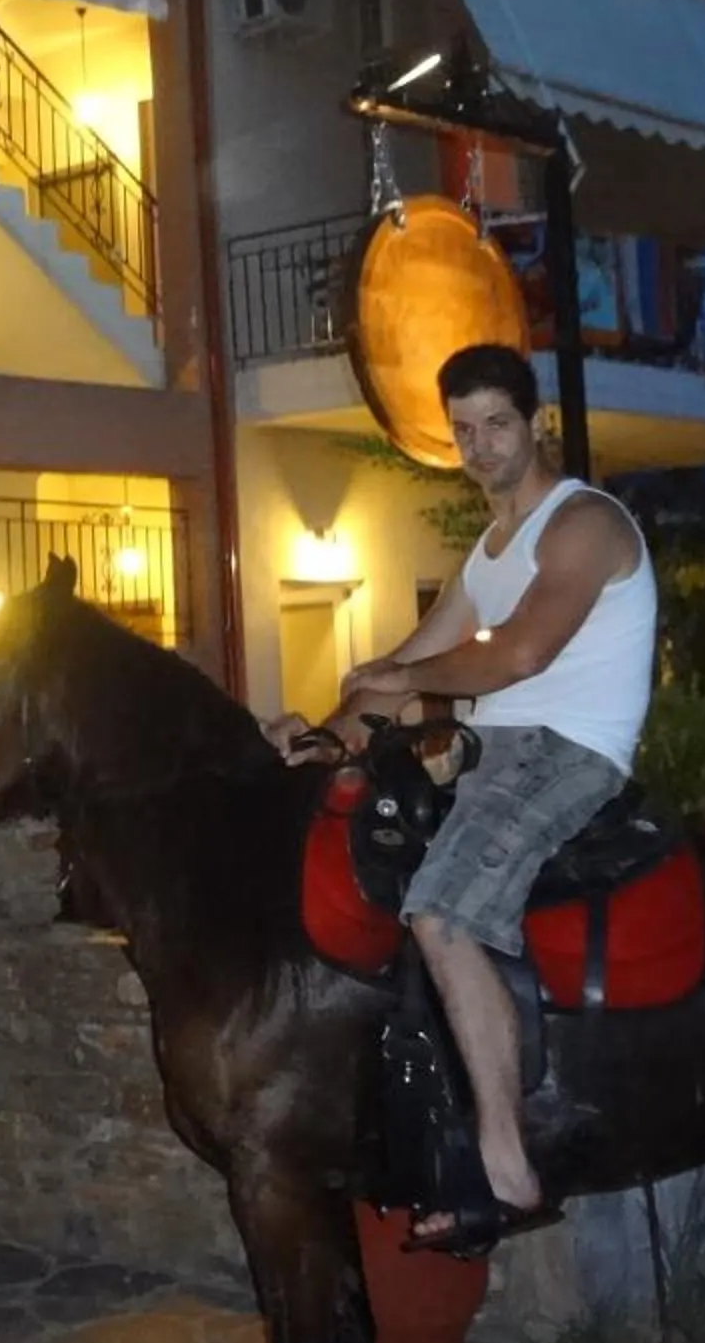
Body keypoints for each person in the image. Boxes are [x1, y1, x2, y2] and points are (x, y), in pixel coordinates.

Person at [265, 342, 657, 1256]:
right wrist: (319, 739)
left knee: (441, 913)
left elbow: (519, 654)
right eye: (465, 431)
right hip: (486, 755)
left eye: (497, 425)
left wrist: (406, 680)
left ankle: (509, 1166)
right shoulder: (487, 552)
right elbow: (403, 664)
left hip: (567, 753)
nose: (482, 447)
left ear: (535, 424)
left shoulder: (585, 523)